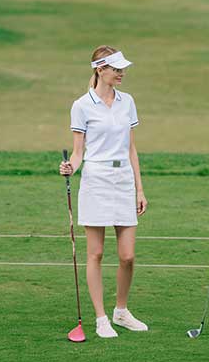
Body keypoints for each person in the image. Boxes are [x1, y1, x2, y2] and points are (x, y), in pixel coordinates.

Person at [59, 46, 149, 338]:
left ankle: (121, 311)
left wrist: (139, 188)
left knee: (128, 255)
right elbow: (77, 153)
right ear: (100, 70)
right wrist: (70, 167)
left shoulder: (128, 102)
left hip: (123, 177)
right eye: (116, 68)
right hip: (96, 179)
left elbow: (131, 147)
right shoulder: (81, 105)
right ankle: (100, 318)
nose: (121, 73)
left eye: (122, 68)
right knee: (95, 253)